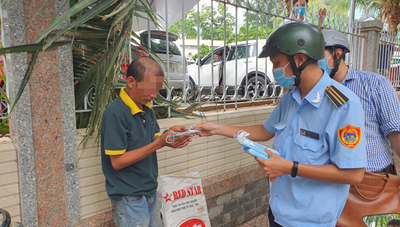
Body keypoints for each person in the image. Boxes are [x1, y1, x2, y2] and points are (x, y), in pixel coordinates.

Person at [193, 22, 366, 227]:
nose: (274, 70)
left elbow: (354, 174)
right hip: (278, 213)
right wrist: (215, 128)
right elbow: (265, 131)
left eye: (276, 63)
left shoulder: (342, 105)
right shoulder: (289, 98)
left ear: (299, 59)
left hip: (311, 221)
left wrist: (289, 168)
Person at [101, 57, 193, 226]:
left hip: (149, 191)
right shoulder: (115, 114)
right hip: (129, 198)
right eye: (150, 89)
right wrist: (159, 143)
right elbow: (117, 162)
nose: (153, 96)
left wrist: (170, 137)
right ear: (131, 82)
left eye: (157, 90)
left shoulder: (146, 107)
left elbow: (154, 140)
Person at [319, 29, 400, 174]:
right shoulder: (316, 90)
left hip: (372, 181)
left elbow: (396, 135)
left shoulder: (375, 84)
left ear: (337, 53)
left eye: (319, 56)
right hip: (331, 180)